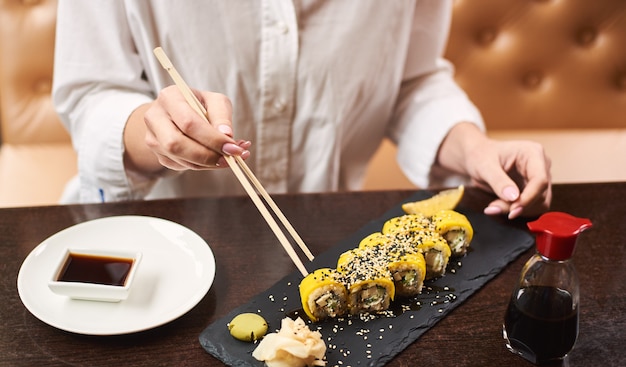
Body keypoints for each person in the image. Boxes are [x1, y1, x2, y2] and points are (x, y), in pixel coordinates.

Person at [52, 1, 551, 219]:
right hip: (147, 239)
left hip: (322, 230)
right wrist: (154, 132)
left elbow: (411, 81)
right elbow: (91, 93)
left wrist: (476, 148)